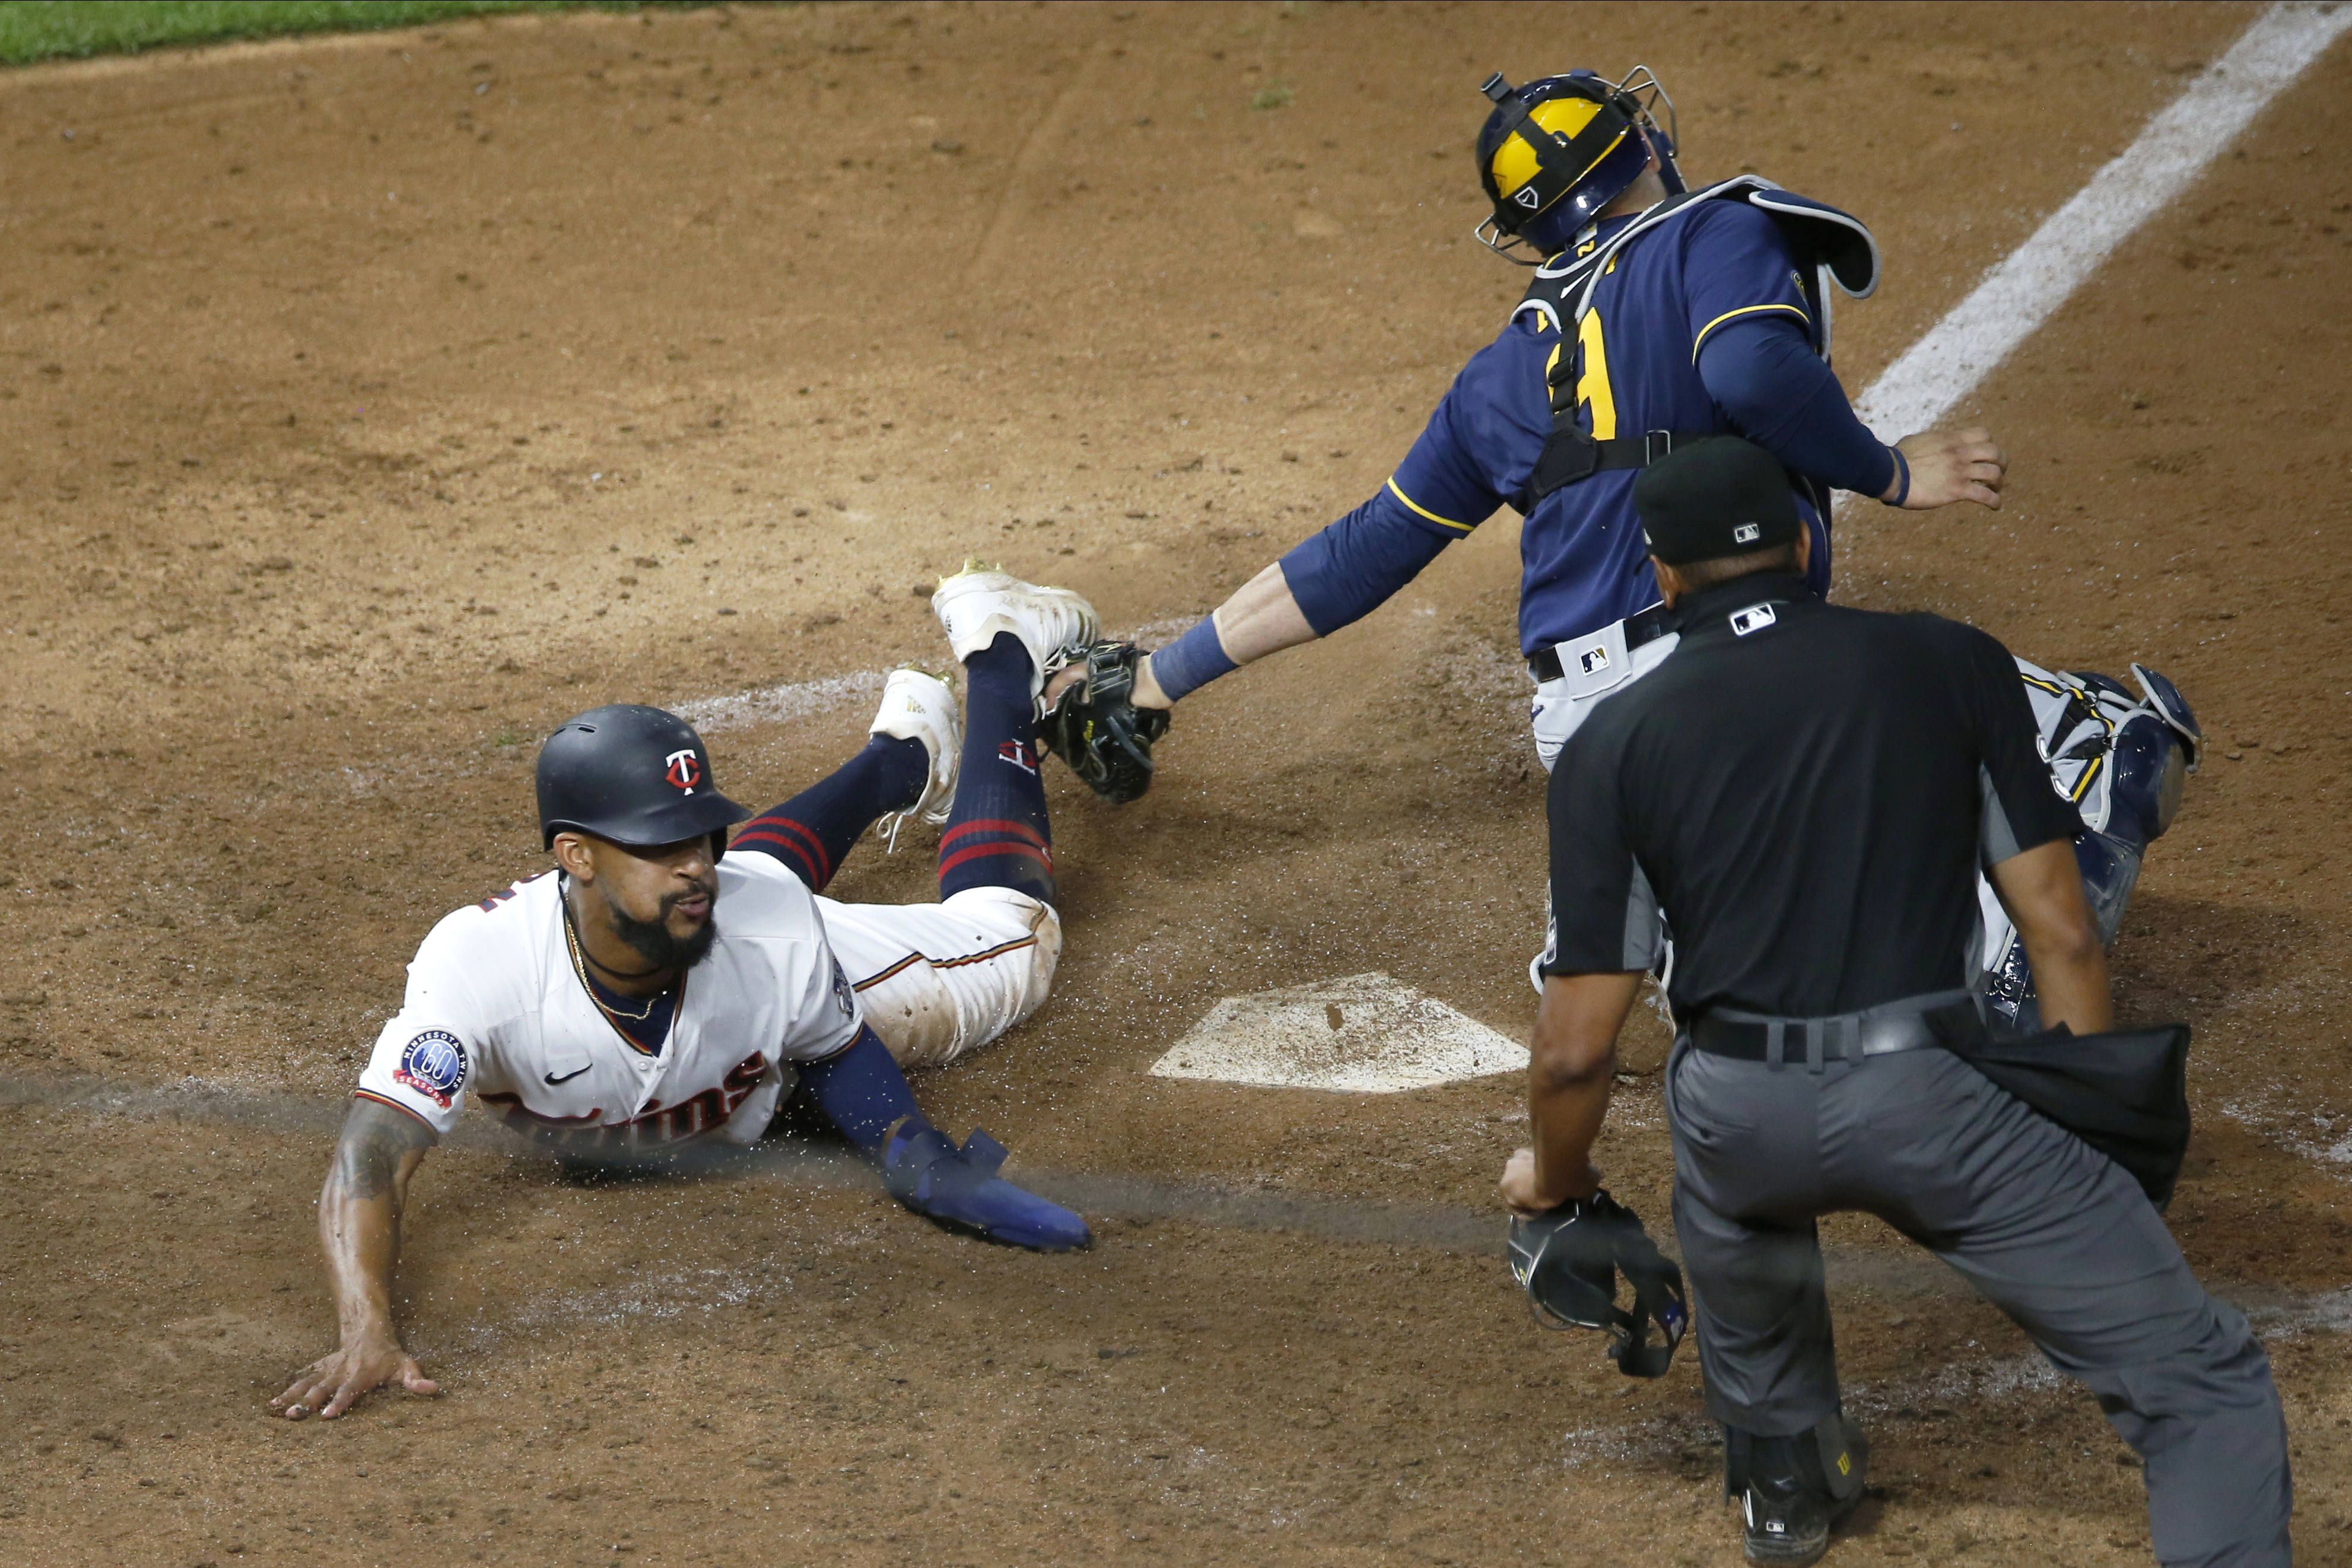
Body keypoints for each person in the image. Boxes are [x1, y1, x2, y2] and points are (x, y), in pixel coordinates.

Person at [1116, 65, 2197, 1022]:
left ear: (1526, 230)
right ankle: (1992, 950)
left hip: (1591, 739)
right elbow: (1751, 374)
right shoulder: (1714, 234)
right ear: (1646, 147)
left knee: (1672, 983)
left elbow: (1362, 555)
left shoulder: (1498, 375)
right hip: (1738, 683)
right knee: (2100, 733)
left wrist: (1159, 681)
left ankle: (1689, 950)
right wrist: (1892, 471)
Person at [1498, 437, 2288, 1566]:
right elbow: (2060, 930)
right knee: (2204, 1387)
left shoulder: (1612, 746)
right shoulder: (1949, 664)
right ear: (1808, 540)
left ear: (1661, 579)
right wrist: (2092, 1121)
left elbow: (1576, 1052)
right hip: (1936, 1104)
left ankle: (1785, 1465)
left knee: (1725, 1179)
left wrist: (1556, 1191)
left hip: (1741, 1119)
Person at [272, 569, 1107, 1421]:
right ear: (577, 856)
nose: (696, 859)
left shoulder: (767, 930)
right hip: (750, 948)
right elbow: (373, 1151)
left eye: (702, 833)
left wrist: (919, 1160)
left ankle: (1000, 656)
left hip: (831, 975)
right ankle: (902, 753)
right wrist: (365, 1330)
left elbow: (836, 1049)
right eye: (660, 841)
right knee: (732, 898)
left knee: (1014, 947)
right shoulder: (480, 972)